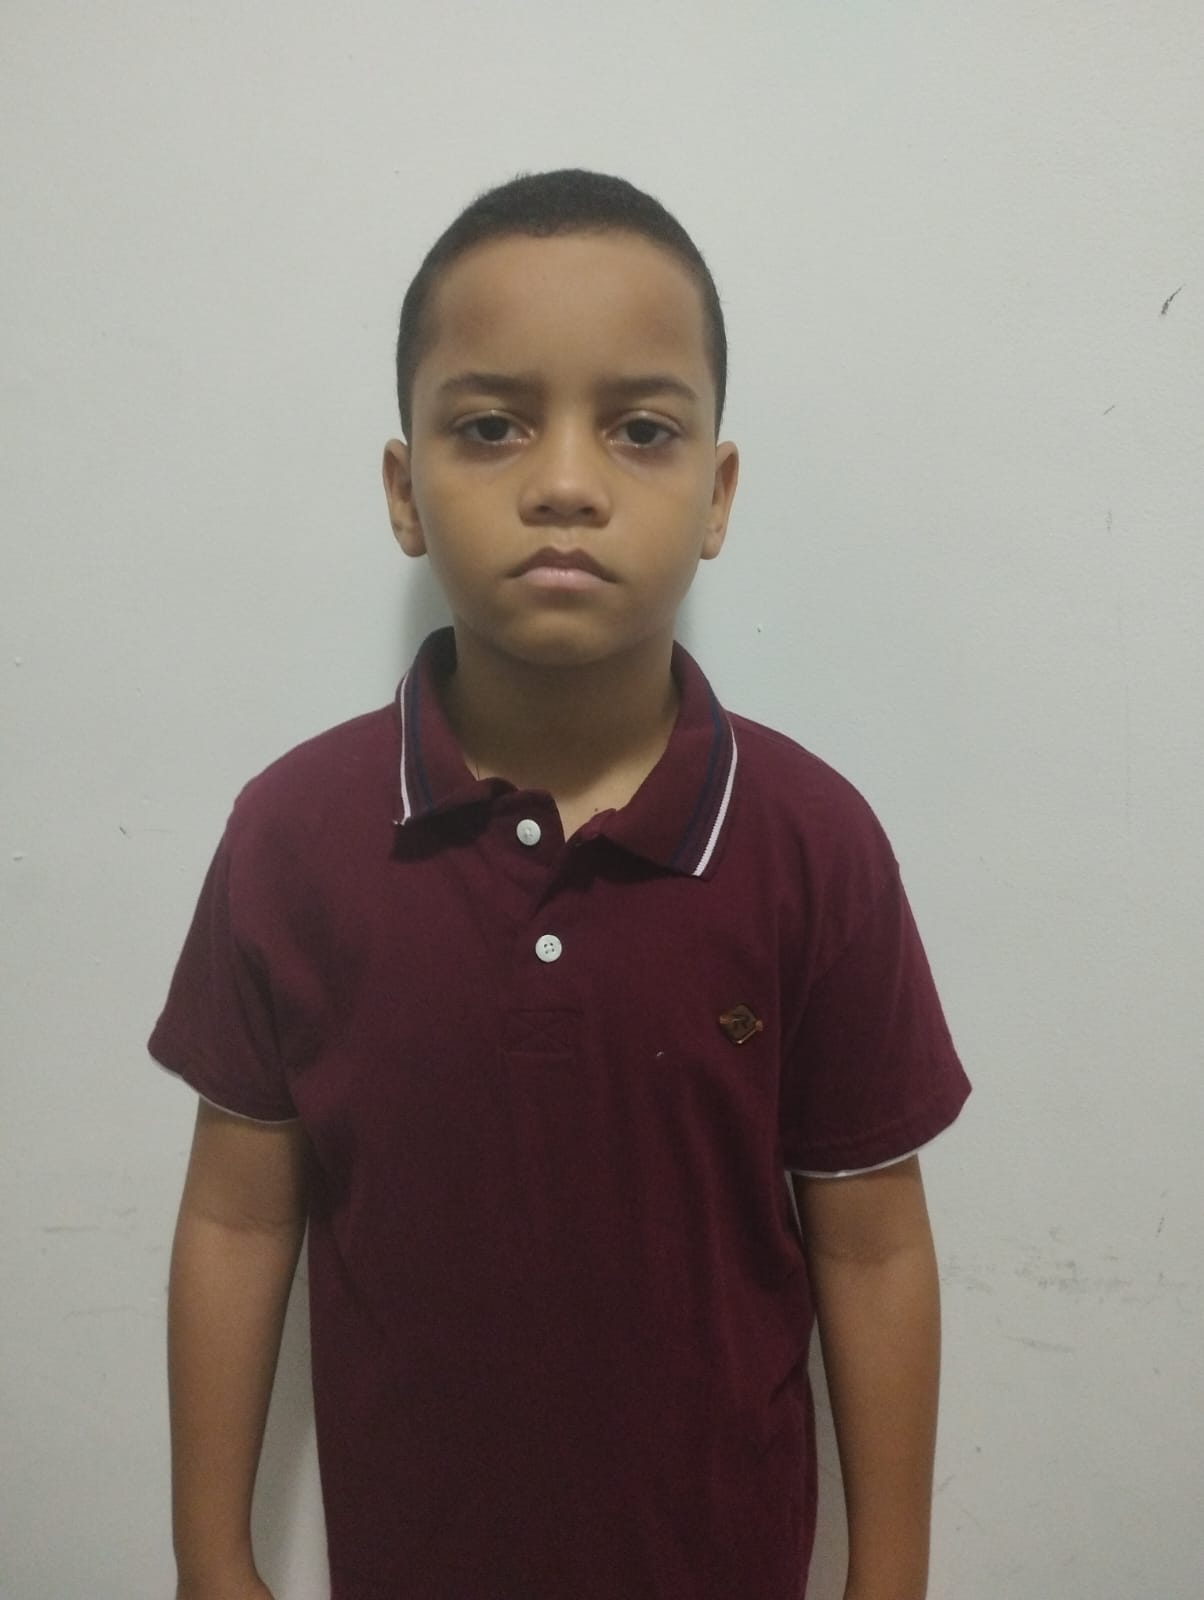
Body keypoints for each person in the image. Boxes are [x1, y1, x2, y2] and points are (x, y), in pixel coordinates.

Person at [151, 166, 971, 1600]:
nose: (568, 482)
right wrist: (212, 1561)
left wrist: (888, 1580)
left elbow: (875, 1251)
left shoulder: (810, 843)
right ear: (404, 491)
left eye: (641, 428)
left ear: (717, 495)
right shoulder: (294, 837)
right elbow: (235, 1217)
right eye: (492, 425)